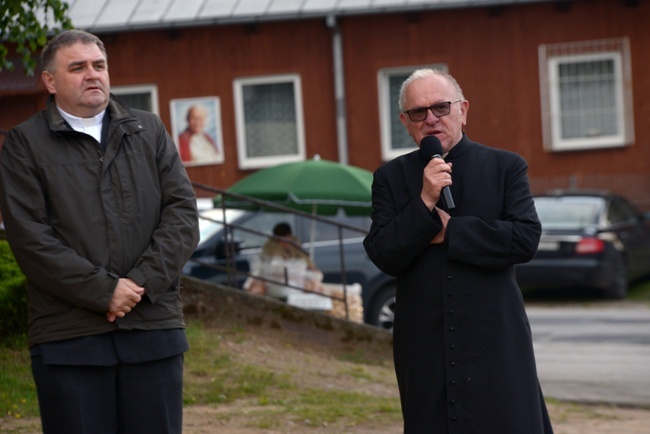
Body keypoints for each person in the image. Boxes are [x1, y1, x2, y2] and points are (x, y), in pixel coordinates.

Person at [0, 30, 199, 434]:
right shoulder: (25, 144)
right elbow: (30, 238)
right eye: (78, 67)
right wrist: (103, 291)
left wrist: (138, 285)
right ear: (50, 81)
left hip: (151, 330)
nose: (93, 75)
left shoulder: (150, 130)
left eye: (99, 65)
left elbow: (182, 216)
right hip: (70, 338)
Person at [363, 68, 554, 433]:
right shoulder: (389, 178)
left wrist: (452, 231)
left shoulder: (505, 167)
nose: (431, 119)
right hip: (424, 341)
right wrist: (423, 201)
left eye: (440, 107)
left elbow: (525, 238)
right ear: (405, 122)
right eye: (419, 112)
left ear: (463, 110)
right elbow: (383, 253)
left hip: (494, 337)